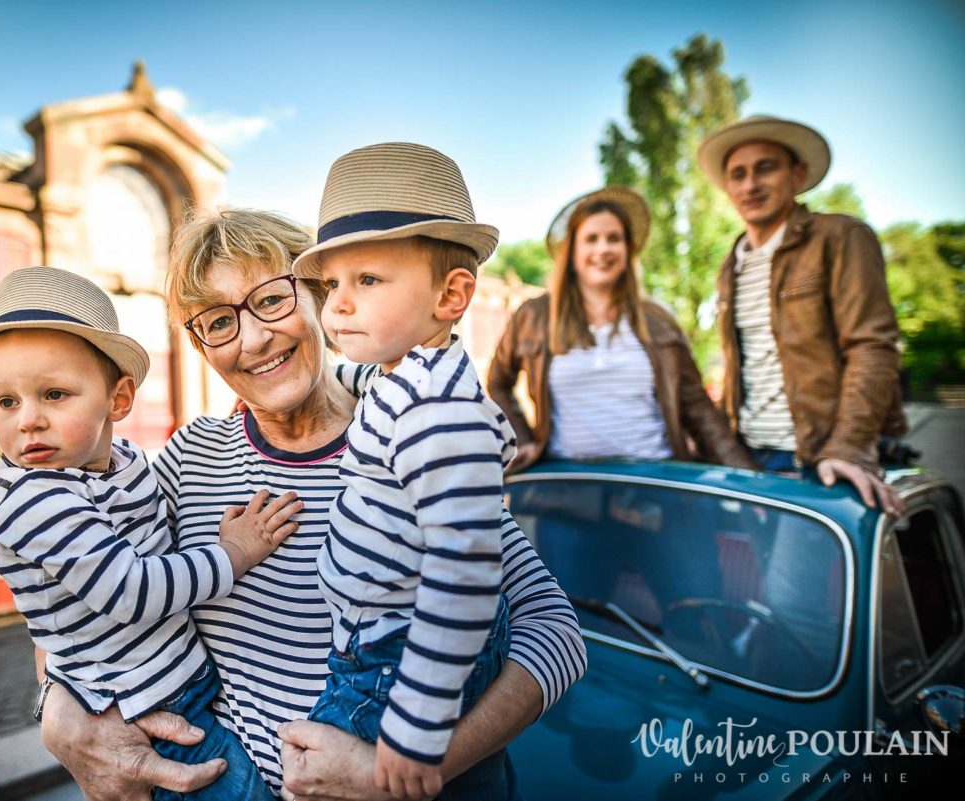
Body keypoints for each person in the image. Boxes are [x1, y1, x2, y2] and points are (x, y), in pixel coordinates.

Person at [38, 209, 587, 801]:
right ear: (201, 346)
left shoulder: (412, 433)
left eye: (272, 300)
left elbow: (554, 632)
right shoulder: (190, 458)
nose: (253, 339)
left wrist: (405, 770)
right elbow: (73, 574)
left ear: (322, 295)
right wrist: (58, 706)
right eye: (218, 322)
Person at [0, 266, 300, 801]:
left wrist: (251, 417)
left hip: (186, 684)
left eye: (54, 394)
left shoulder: (126, 463)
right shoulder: (36, 499)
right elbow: (132, 591)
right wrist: (234, 552)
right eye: (6, 402)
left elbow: (160, 520)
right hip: (149, 708)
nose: (28, 420)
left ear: (119, 401)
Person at [288, 142, 514, 800]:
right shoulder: (401, 373)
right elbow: (359, 376)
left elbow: (465, 576)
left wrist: (418, 723)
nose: (338, 307)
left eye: (368, 281)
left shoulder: (440, 417)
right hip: (381, 638)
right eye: (332, 285)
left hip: (399, 657)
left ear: (451, 294)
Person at [697, 115, 907, 515]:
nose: (750, 184)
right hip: (753, 458)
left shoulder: (841, 237)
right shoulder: (732, 264)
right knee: (750, 575)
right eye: (737, 174)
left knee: (794, 578)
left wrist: (848, 446)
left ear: (798, 174)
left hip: (821, 459)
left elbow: (873, 345)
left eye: (766, 167)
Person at [487, 186, 755, 473]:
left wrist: (748, 477)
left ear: (627, 250)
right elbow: (498, 383)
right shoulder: (534, 315)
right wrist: (523, 441)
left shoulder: (658, 319)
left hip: (654, 483)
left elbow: (696, 406)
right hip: (565, 483)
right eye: (591, 239)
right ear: (573, 252)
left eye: (613, 239)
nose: (603, 249)